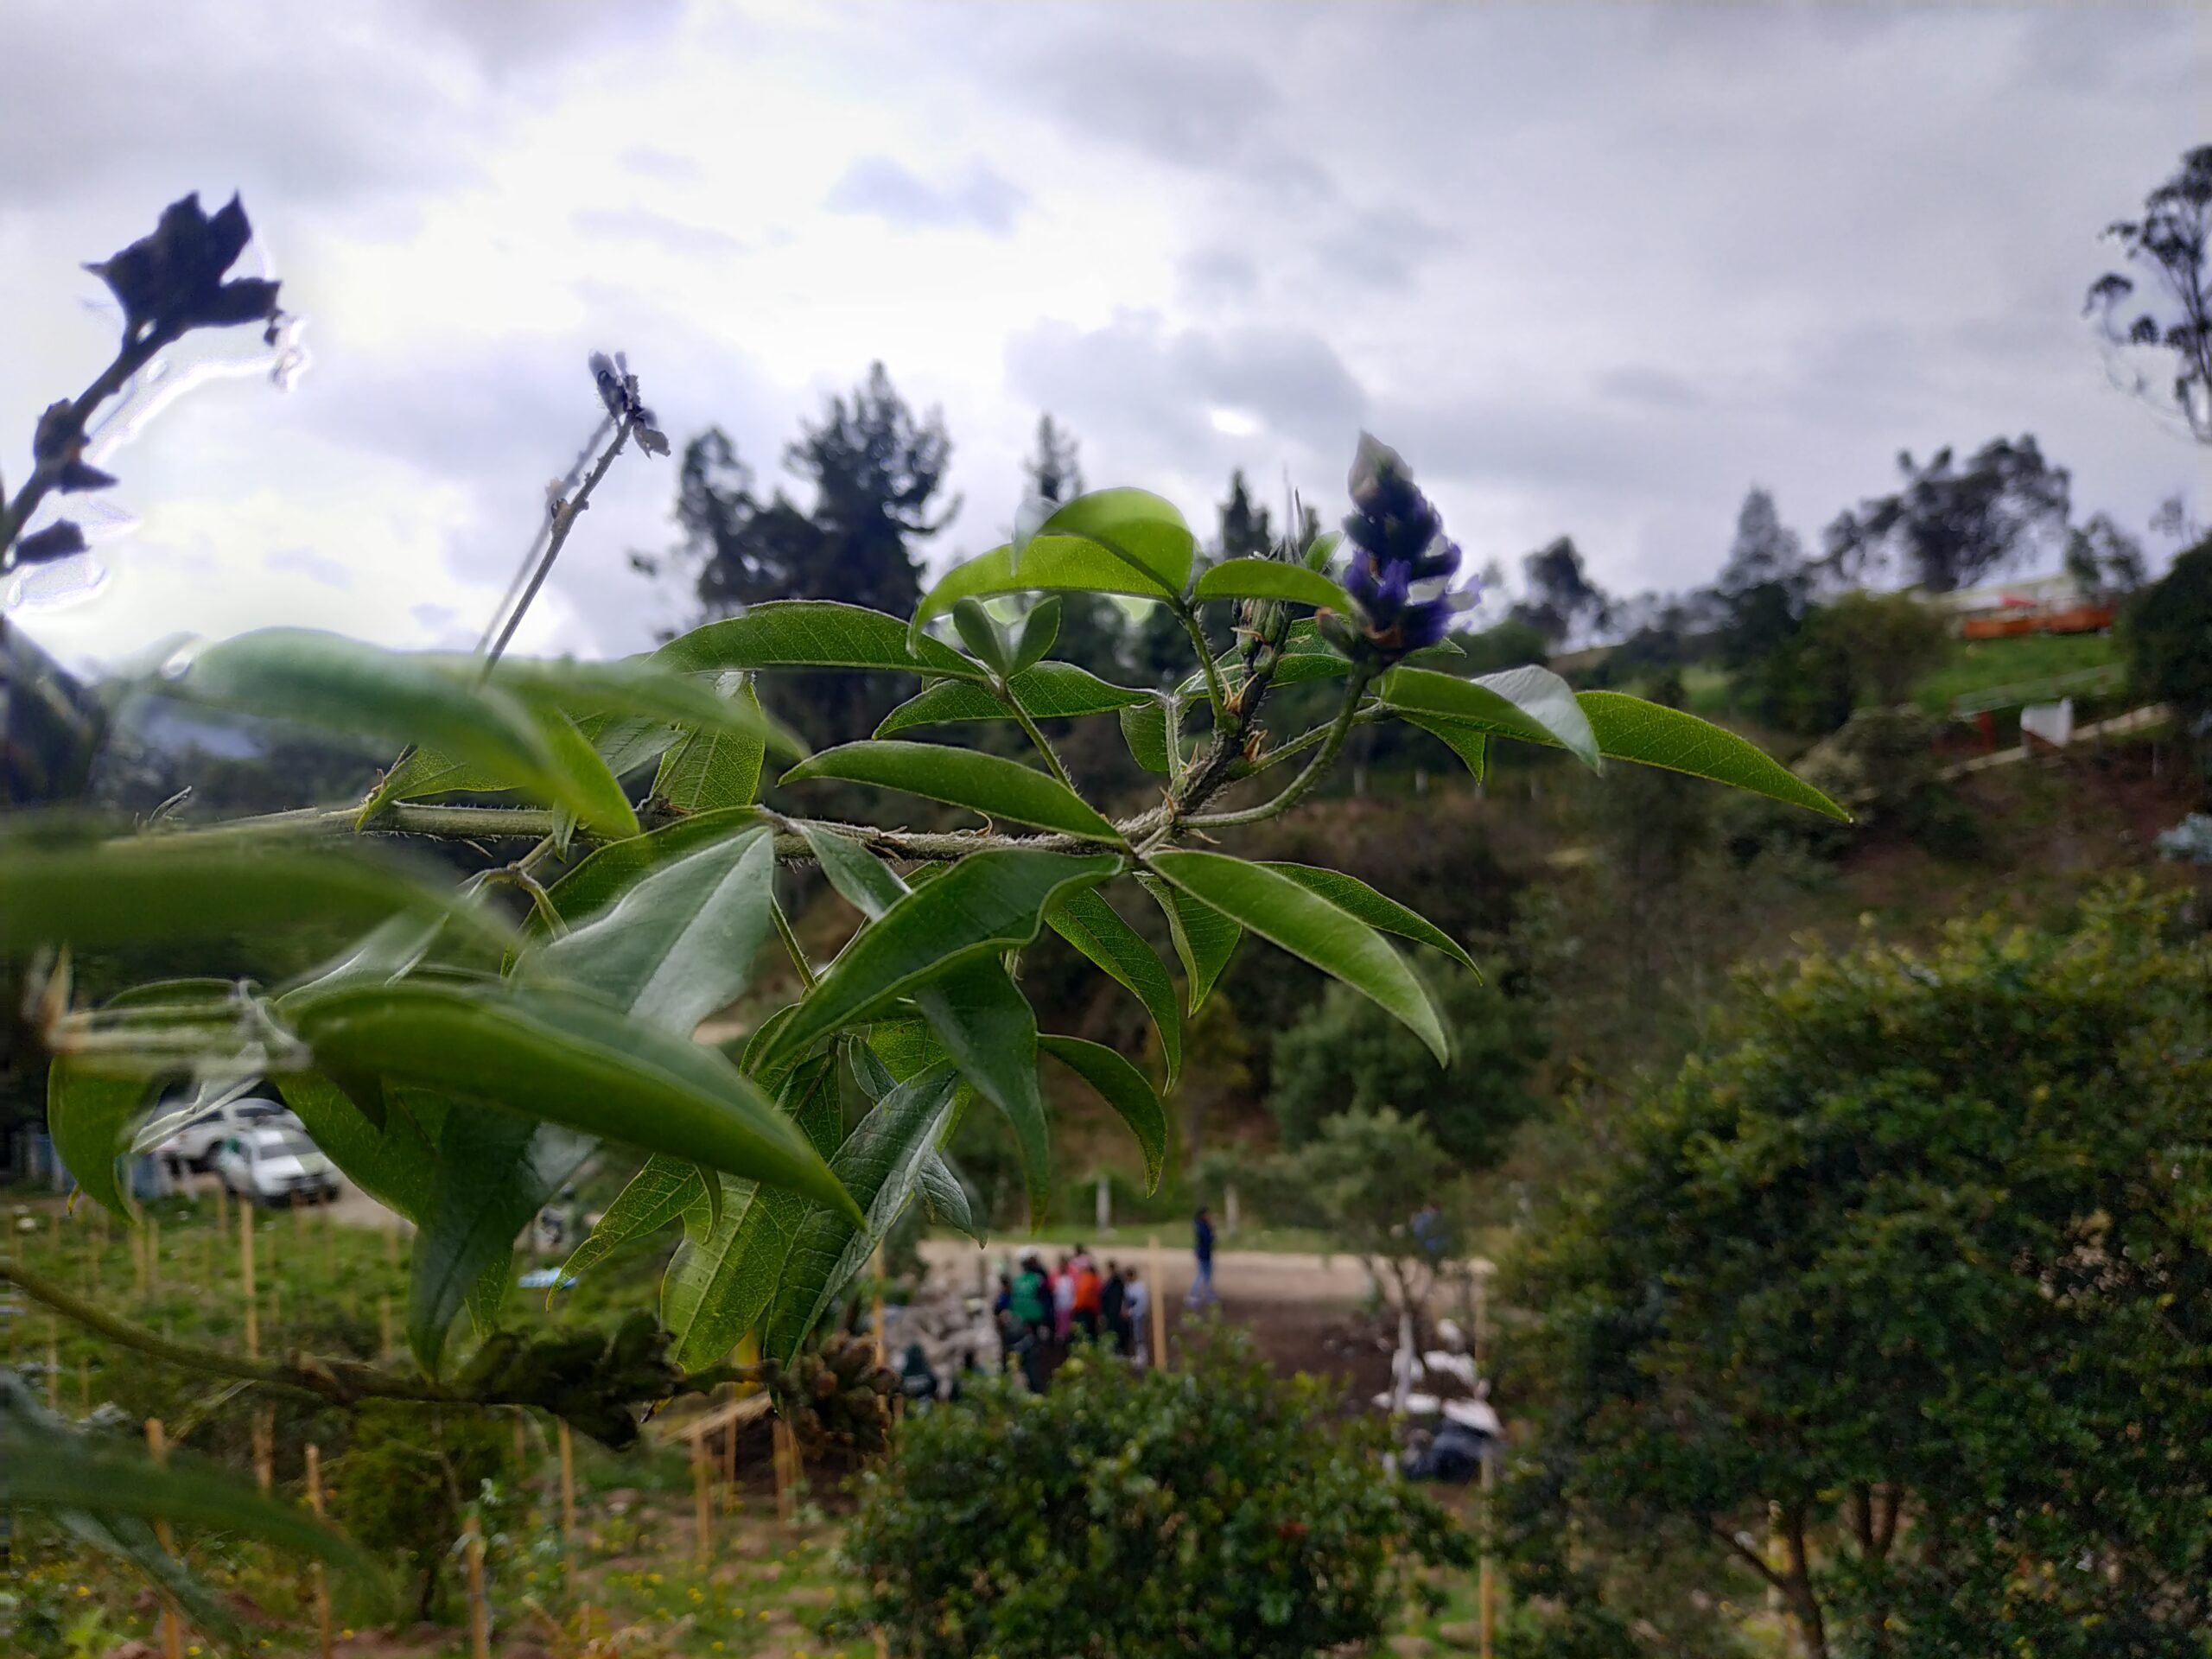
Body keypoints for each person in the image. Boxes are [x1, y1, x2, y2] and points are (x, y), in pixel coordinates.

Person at [1187, 1207, 1217, 1306]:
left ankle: (1208, 1294)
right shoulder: (1201, 1226)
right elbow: (1207, 1238)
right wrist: (1212, 1236)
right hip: (1203, 1254)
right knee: (1201, 1275)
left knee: (1208, 1275)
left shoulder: (1205, 1225)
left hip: (1206, 1253)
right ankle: (1193, 1294)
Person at [1122, 1266, 1151, 1365]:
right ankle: (1136, 1356)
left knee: (1139, 1336)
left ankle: (1142, 1357)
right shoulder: (1128, 1286)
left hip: (1139, 1315)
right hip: (1131, 1315)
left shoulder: (1140, 1287)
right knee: (1133, 1336)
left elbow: (1142, 1303)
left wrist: (1131, 1311)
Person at [1071, 1252, 1103, 1341]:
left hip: (1087, 1311)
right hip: (1084, 1310)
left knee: (1086, 1334)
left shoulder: (1090, 1279)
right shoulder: (1087, 1278)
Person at [1098, 1262, 1128, 1354]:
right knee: (1111, 1329)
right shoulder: (1112, 1283)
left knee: (1114, 1329)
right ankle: (1113, 1348)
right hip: (1111, 1310)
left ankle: (1116, 1349)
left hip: (1114, 1310)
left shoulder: (1116, 1283)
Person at [1052, 1253, 1076, 1343]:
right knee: (1060, 1320)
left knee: (1068, 1321)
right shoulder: (1055, 1275)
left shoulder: (1072, 1275)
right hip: (1059, 1304)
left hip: (1069, 1303)